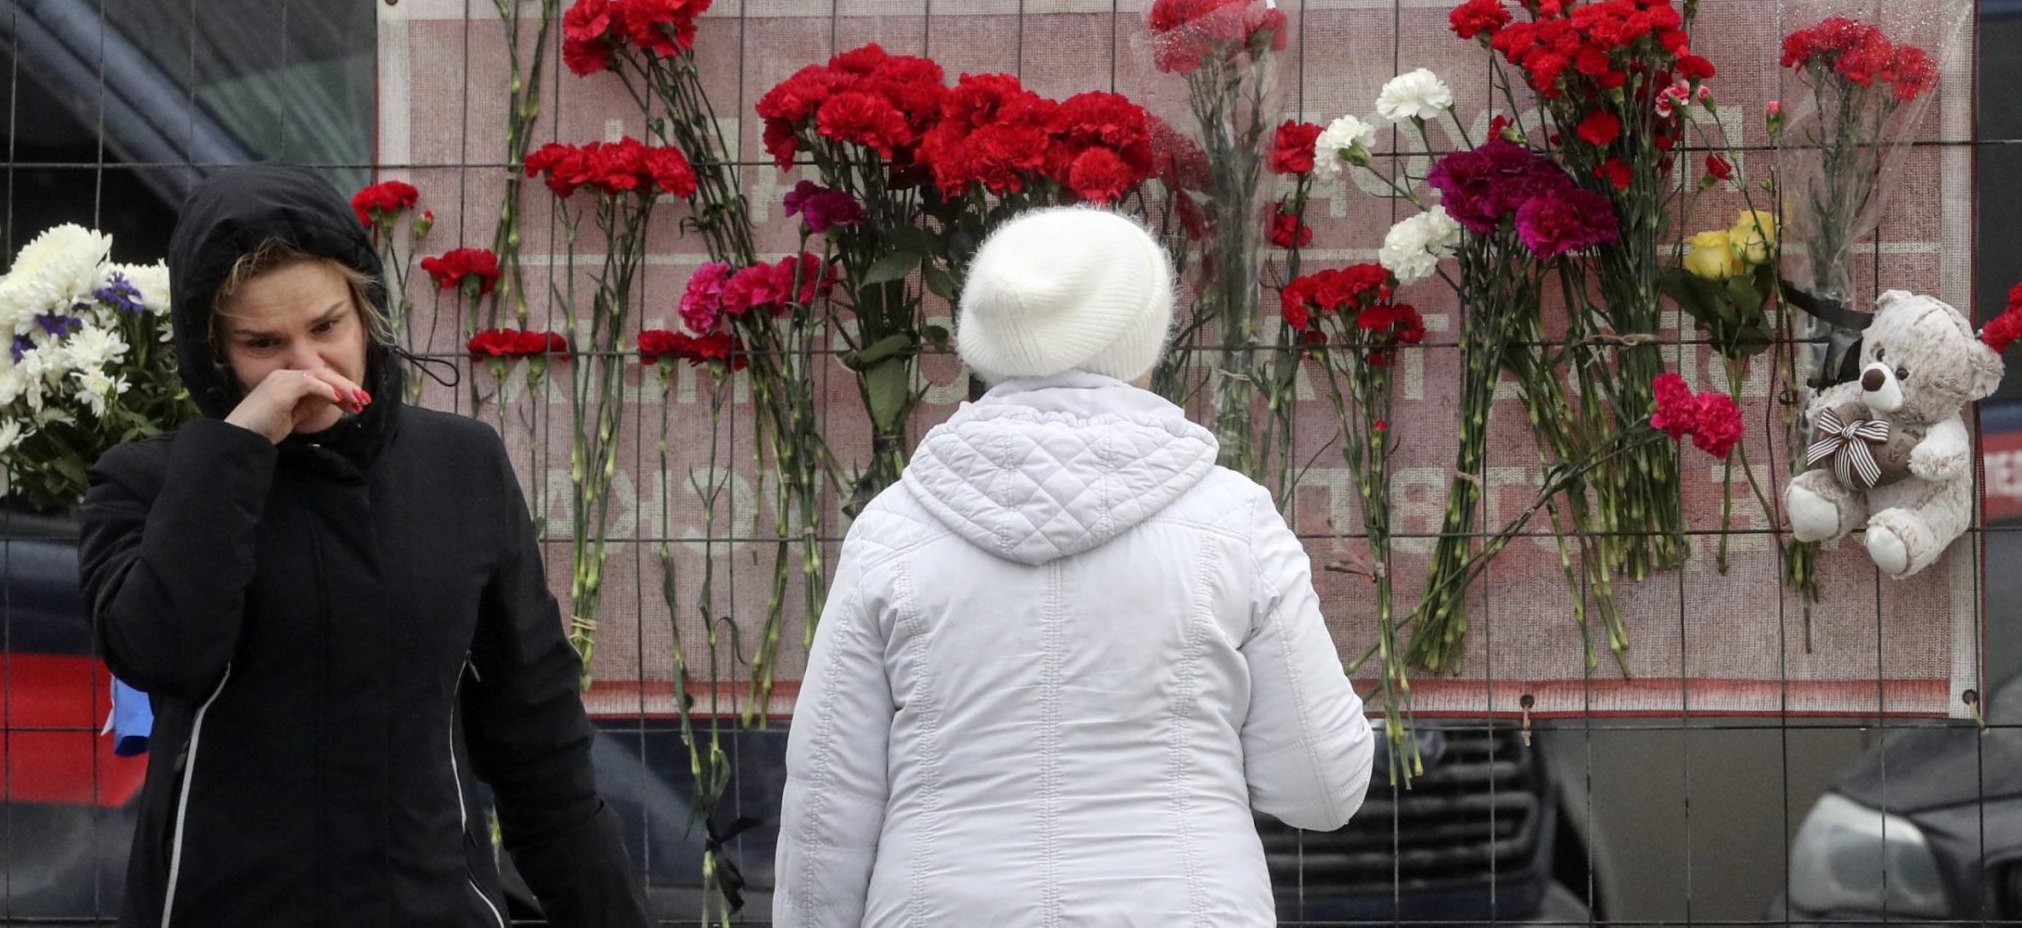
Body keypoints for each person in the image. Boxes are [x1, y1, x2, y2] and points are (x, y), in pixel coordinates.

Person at [79, 164, 648, 926]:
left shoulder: (459, 466)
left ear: (366, 312)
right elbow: (163, 652)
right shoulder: (151, 484)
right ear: (211, 351)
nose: (306, 369)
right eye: (262, 343)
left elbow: (538, 740)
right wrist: (239, 448)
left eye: (326, 327)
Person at [773, 205, 1374, 926]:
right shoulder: (1233, 521)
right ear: (1143, 337)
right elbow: (1322, 786)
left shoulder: (894, 529)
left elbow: (825, 815)